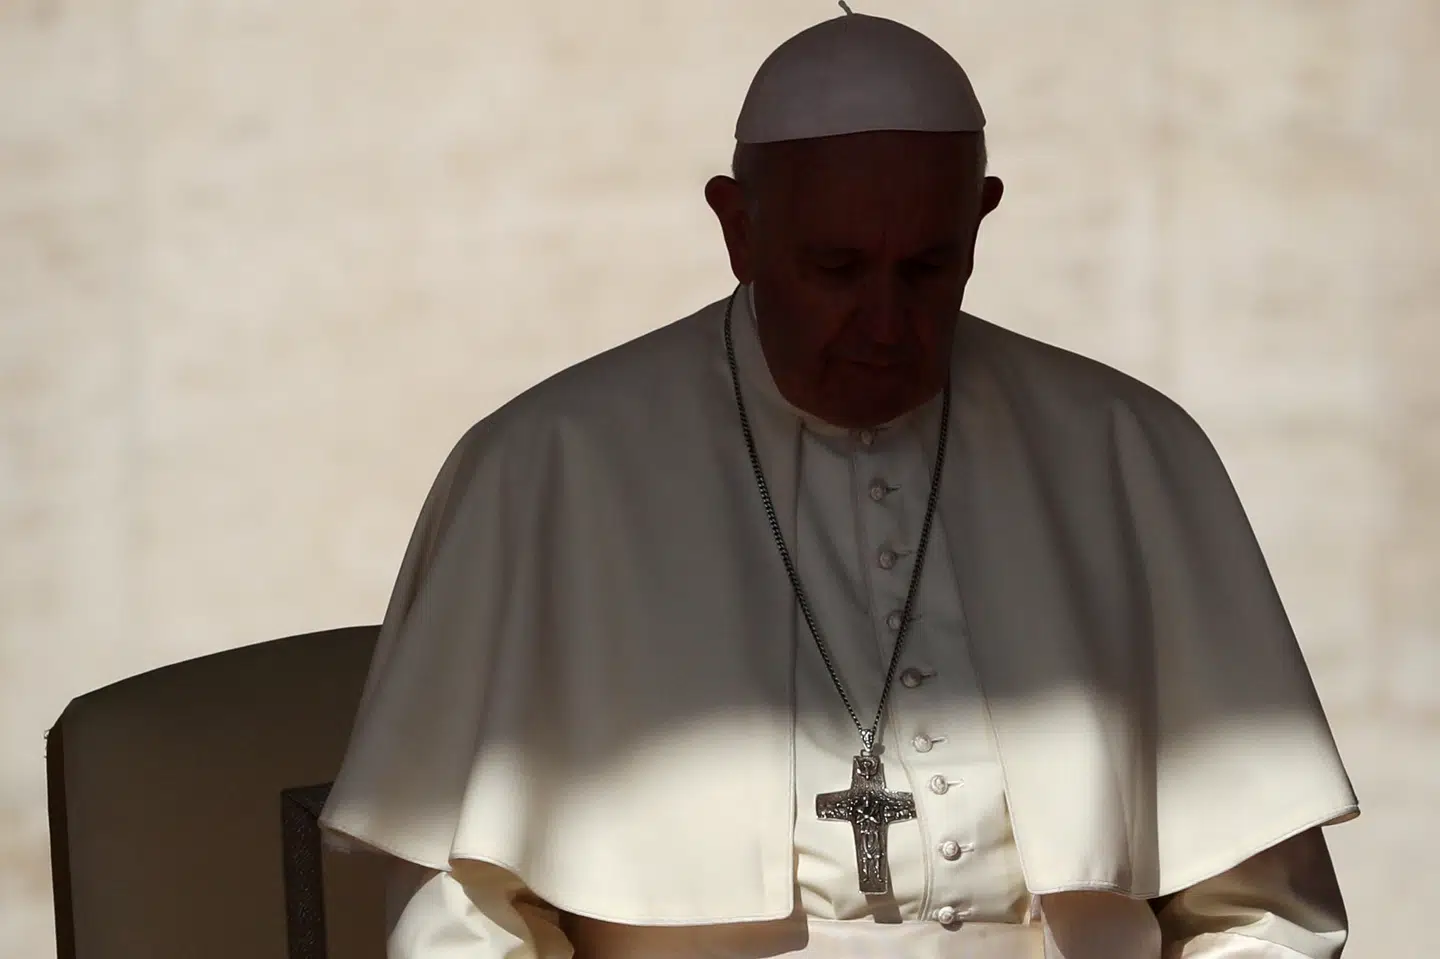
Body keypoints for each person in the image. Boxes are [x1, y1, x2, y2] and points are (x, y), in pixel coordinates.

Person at [319, 9, 1359, 958]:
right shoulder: (548, 466)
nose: (886, 323)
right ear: (737, 227)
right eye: (836, 269)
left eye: (928, 268)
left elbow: (1260, 912)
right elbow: (460, 919)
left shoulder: (1127, 449)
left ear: (983, 218)